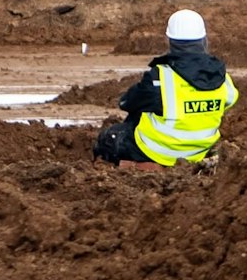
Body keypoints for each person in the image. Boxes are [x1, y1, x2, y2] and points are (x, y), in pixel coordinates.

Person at [93, 9, 239, 166]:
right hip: (200, 151)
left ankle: (104, 170)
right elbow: (230, 100)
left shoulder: (161, 76)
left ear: (170, 41)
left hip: (158, 152)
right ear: (204, 40)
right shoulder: (220, 75)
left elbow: (128, 103)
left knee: (109, 138)